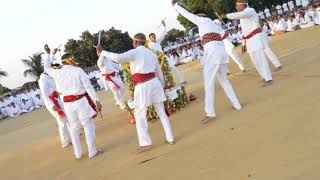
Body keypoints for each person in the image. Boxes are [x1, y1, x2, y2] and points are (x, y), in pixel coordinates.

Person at [96, 33, 175, 154]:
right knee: (161, 112)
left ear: (136, 42)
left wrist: (103, 52)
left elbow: (117, 58)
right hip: (155, 83)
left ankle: (145, 143)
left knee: (140, 115)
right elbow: (159, 72)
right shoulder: (151, 54)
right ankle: (170, 138)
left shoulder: (134, 52)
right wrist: (162, 86)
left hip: (142, 86)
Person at [172, 0, 242, 124]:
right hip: (221, 54)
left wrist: (176, 5)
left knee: (208, 84)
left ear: (199, 16)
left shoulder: (201, 21)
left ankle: (210, 113)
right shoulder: (214, 24)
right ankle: (237, 105)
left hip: (213, 55)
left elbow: (185, 14)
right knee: (224, 81)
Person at [43, 45, 103, 159]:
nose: (75, 60)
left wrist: (48, 54)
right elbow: (89, 88)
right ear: (70, 60)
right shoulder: (78, 71)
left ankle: (78, 154)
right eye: (73, 58)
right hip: (81, 102)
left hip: (68, 104)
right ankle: (92, 151)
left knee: (74, 128)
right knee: (88, 126)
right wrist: (96, 101)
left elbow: (46, 68)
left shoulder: (57, 72)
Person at [224, 0, 274, 87]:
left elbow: (241, 15)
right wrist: (244, 44)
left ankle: (268, 78)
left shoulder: (250, 10)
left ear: (243, 5)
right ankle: (263, 77)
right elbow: (245, 31)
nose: (236, 8)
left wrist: (226, 16)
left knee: (261, 59)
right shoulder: (242, 16)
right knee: (255, 61)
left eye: (237, 6)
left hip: (256, 38)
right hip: (249, 41)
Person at [39, 67, 71, 148]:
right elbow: (44, 95)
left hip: (57, 99)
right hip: (52, 102)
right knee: (62, 121)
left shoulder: (50, 76)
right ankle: (65, 142)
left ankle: (74, 133)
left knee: (67, 117)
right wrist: (52, 105)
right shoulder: (43, 80)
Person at [148, 20, 186, 84]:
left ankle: (181, 80)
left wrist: (163, 25)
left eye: (154, 36)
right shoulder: (149, 45)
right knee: (162, 73)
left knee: (174, 68)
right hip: (157, 60)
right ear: (150, 38)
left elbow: (163, 33)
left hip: (164, 57)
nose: (154, 37)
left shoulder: (158, 41)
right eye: (152, 37)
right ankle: (167, 85)